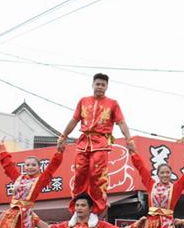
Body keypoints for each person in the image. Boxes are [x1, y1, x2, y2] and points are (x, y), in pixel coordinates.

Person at [58, 73, 135, 215]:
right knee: (79, 174)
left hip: (101, 142)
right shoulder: (83, 101)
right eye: (97, 84)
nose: (100, 87)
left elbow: (121, 123)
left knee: (97, 175)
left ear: (106, 87)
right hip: (83, 142)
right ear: (92, 85)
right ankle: (78, 207)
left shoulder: (113, 103)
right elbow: (74, 120)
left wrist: (129, 140)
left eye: (103, 85)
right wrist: (63, 136)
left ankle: (96, 209)